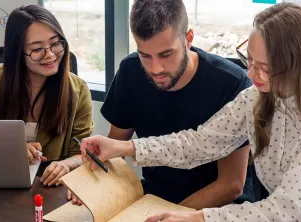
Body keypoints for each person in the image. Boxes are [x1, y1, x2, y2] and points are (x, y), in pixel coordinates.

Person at [78, 3, 301, 222]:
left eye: (264, 67)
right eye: (249, 60)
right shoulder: (260, 98)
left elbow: (283, 210)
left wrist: (198, 217)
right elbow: (199, 144)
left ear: (298, 66)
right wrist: (126, 147)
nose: (251, 74)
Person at [68, 0, 256, 210]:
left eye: (166, 54)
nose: (156, 68)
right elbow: (115, 149)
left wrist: (172, 216)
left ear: (188, 39)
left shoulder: (233, 84)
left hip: (219, 207)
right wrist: (89, 184)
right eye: (145, 55)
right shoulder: (131, 71)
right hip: (153, 198)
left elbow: (231, 185)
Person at [0, 5, 94, 187]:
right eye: (37, 49)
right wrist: (7, 147)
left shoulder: (78, 90)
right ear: (17, 53)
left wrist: (67, 164)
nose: (50, 55)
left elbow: (81, 152)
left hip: (47, 188)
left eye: (55, 43)